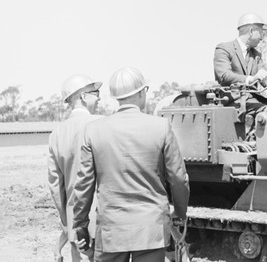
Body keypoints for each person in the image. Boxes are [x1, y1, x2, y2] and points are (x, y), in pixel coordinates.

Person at [73, 67, 189, 262]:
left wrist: (80, 224)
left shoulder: (93, 130)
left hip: (111, 231)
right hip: (150, 230)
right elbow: (178, 177)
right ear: (142, 92)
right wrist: (180, 213)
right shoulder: (161, 127)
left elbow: (83, 185)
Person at [48, 74, 103, 262]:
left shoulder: (57, 133)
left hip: (75, 226)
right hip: (104, 221)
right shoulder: (102, 124)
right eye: (96, 92)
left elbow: (55, 185)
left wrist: (67, 221)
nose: (99, 97)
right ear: (83, 96)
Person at [214, 13, 267, 135]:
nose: (262, 37)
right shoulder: (224, 49)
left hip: (251, 101)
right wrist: (250, 79)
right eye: (261, 32)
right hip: (231, 100)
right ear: (251, 31)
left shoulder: (256, 55)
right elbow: (224, 75)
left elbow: (263, 76)